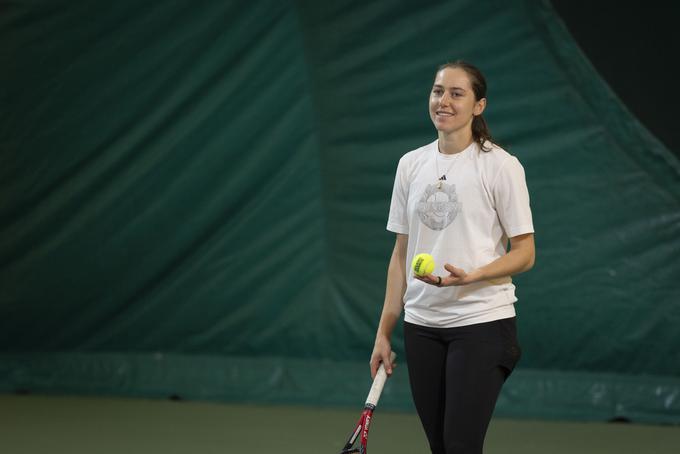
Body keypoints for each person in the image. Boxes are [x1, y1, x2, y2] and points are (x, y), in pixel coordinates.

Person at [370, 60, 535, 454]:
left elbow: (525, 252)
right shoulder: (410, 165)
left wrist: (472, 276)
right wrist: (384, 331)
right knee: (441, 447)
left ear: (478, 106)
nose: (443, 101)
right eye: (438, 91)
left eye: (457, 93)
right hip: (422, 326)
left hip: (482, 323)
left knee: (461, 445)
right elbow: (400, 255)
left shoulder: (500, 166)